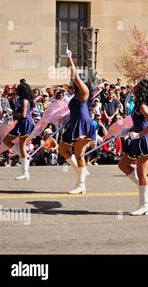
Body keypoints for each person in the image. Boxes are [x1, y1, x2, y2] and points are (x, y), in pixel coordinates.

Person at [58, 48, 96, 194]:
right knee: (62, 149)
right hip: (74, 124)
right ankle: (82, 171)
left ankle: (81, 185)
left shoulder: (84, 92)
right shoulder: (76, 96)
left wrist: (69, 58)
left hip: (83, 124)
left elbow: (74, 76)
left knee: (79, 154)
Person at [118, 79, 148, 216]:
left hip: (144, 140)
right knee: (123, 164)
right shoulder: (137, 105)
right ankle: (147, 186)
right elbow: (139, 122)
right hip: (137, 138)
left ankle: (144, 205)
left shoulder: (143, 106)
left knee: (142, 174)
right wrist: (128, 130)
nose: (133, 87)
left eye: (137, 86)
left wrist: (139, 134)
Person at [2, 83, 35, 180]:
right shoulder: (19, 99)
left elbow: (24, 115)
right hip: (21, 123)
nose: (14, 90)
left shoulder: (24, 100)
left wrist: (13, 113)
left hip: (24, 123)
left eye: (16, 89)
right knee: (6, 141)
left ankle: (25, 172)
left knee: (21, 146)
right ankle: (25, 156)